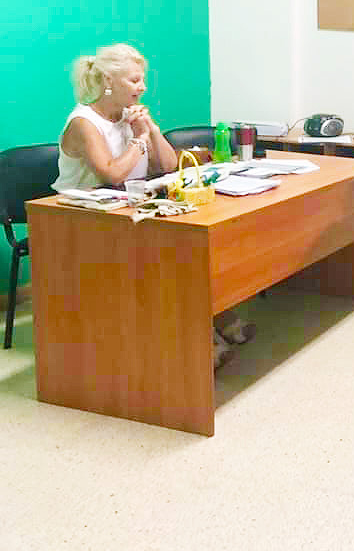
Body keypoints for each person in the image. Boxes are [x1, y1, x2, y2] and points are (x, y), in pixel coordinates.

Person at [53, 43, 254, 369]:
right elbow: (111, 174)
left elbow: (169, 164)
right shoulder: (83, 122)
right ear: (109, 81)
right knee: (168, 259)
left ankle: (214, 320)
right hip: (79, 220)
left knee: (189, 248)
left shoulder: (130, 115)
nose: (143, 87)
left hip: (126, 209)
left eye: (143, 79)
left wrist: (152, 130)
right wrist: (139, 140)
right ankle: (203, 340)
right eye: (134, 80)